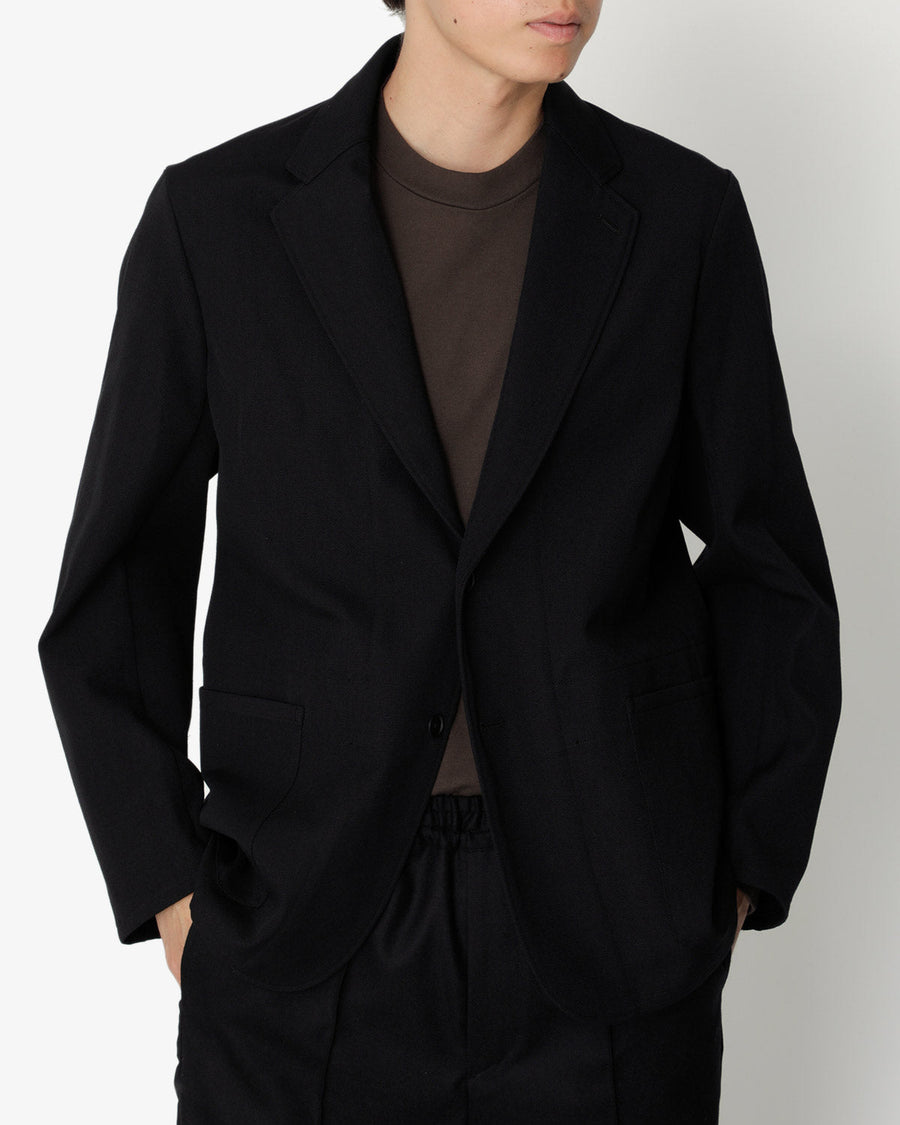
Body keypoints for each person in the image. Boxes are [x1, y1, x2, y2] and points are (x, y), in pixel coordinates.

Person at [38, 2, 841, 1121]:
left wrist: (739, 874)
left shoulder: (680, 217)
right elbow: (119, 580)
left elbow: (772, 566)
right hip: (301, 919)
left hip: (609, 922)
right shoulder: (218, 220)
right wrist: (170, 887)